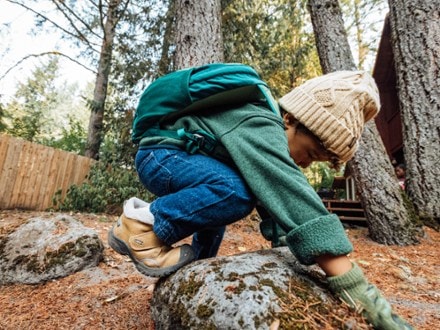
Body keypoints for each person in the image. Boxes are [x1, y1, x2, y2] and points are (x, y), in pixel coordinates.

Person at [108, 70, 413, 329]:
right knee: (234, 192)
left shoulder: (263, 133)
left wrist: (287, 247)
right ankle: (142, 228)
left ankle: (193, 268)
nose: (305, 164)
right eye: (309, 154)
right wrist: (366, 300)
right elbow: (295, 199)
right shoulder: (262, 125)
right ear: (290, 119)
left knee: (228, 197)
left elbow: (274, 203)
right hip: (162, 157)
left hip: (174, 158)